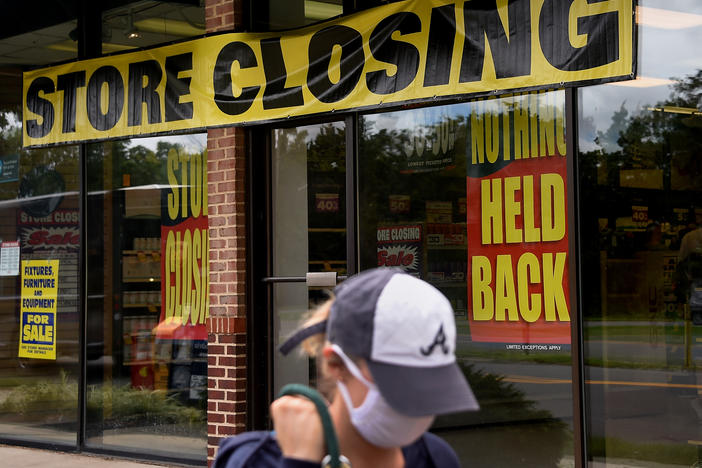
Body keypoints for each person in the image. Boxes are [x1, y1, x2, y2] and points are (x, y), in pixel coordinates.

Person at [214, 267, 479, 468]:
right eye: (401, 382)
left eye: (433, 386)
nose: (419, 403)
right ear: (335, 365)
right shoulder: (253, 459)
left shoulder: (436, 457)